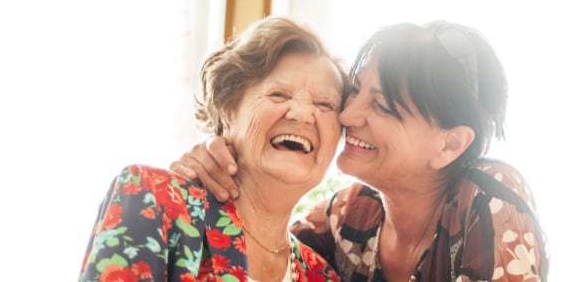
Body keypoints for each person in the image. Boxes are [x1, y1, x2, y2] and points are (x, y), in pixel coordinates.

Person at [173, 20, 549, 281]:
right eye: (355, 91)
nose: (347, 115)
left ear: (448, 144)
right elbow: (268, 249)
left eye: (382, 106)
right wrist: (221, 160)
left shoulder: (488, 198)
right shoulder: (349, 216)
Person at [78, 16, 347, 282]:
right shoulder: (154, 199)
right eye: (279, 94)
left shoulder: (322, 275)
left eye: (325, 104)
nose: (301, 114)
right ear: (228, 109)